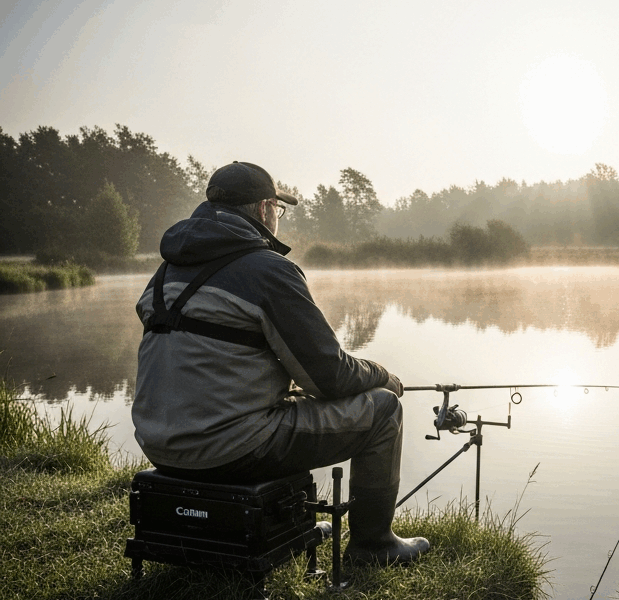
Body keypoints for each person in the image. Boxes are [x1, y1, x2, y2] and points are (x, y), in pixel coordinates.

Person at [132, 161, 429, 565]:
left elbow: (210, 362)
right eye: (278, 210)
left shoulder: (164, 273)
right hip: (231, 450)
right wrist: (385, 376)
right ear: (263, 210)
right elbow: (330, 377)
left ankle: (297, 523)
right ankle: (374, 547)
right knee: (383, 410)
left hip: (158, 445)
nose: (278, 219)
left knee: (286, 401)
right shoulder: (268, 269)